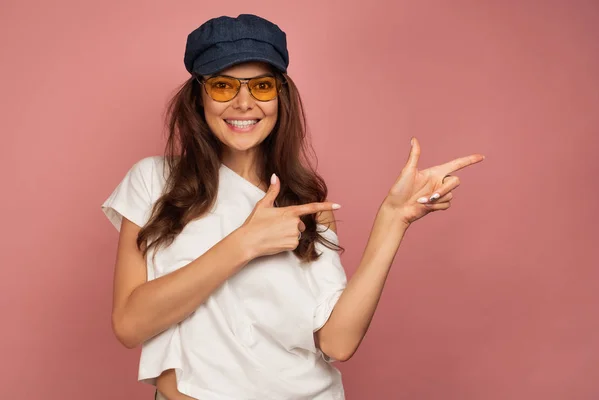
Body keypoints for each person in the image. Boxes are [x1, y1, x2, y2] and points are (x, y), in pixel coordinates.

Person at [101, 13, 485, 400]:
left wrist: (393, 219)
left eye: (262, 86)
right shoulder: (155, 182)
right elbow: (130, 325)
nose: (244, 103)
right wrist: (244, 244)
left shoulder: (305, 202)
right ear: (198, 97)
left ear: (281, 95)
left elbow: (338, 342)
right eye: (222, 86)